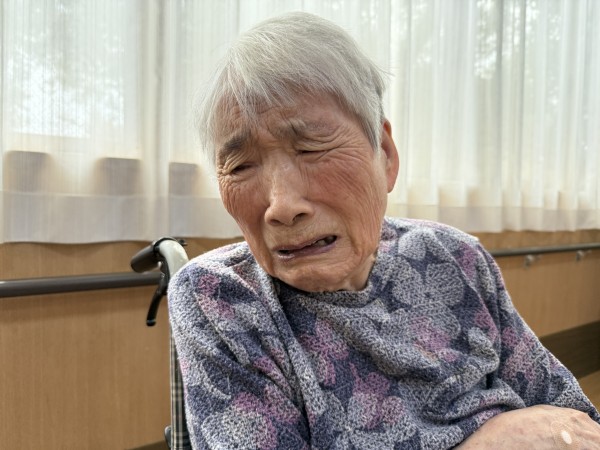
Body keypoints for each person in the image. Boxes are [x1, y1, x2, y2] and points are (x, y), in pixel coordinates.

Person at [168, 11, 600, 449]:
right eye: (240, 166)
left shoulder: (455, 256)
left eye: (311, 148)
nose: (281, 207)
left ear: (386, 155)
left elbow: (571, 414)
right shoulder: (220, 297)